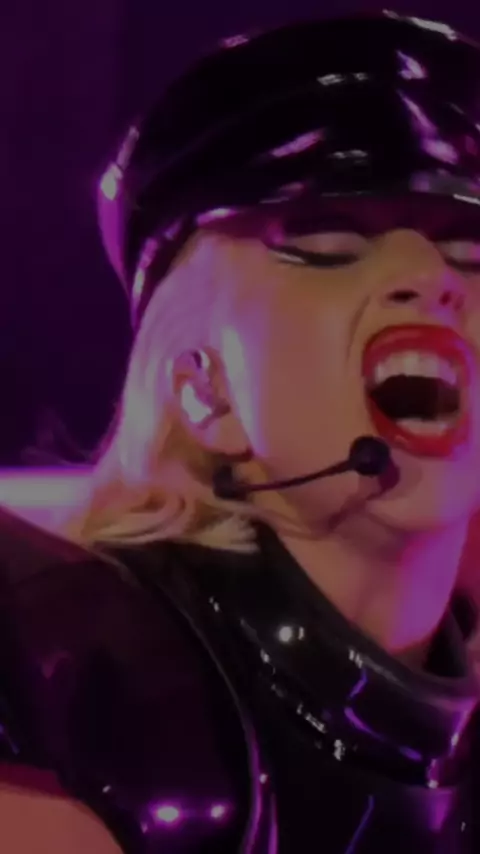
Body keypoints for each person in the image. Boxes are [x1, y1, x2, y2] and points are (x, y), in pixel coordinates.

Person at [1, 9, 480, 853]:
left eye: (473, 256)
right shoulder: (68, 678)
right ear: (203, 387)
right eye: (328, 245)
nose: (428, 277)